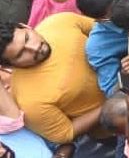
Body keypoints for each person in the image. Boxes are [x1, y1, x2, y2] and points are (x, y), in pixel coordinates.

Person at [0, 14, 104, 146]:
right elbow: (66, 133)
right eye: (21, 54)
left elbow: (105, 28)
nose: (34, 48)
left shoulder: (59, 22)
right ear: (9, 66)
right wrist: (110, 105)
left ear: (25, 26)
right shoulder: (29, 101)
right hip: (122, 124)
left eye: (27, 38)